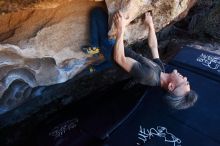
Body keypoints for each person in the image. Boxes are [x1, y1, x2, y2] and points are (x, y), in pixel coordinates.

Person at [82, 7, 198, 110]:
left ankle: (94, 46)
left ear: (171, 86)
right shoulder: (161, 71)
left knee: (97, 12)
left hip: (112, 49)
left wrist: (120, 30)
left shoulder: (148, 75)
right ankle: (96, 55)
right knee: (109, 60)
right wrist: (150, 25)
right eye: (187, 81)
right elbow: (153, 47)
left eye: (184, 82)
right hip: (116, 54)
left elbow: (120, 58)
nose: (185, 78)